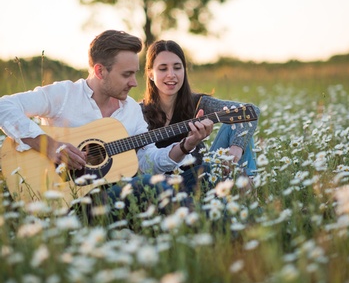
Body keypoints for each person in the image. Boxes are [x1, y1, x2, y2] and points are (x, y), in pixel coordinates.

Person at [0, 30, 213, 221]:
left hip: (115, 194)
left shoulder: (131, 110)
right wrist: (48, 145)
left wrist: (186, 145)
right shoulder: (65, 95)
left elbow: (148, 164)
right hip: (72, 199)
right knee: (154, 186)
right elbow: (4, 106)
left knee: (203, 173)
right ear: (100, 71)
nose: (134, 83)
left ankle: (205, 231)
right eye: (126, 74)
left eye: (134, 73)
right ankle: (203, 228)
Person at [141, 40, 260, 190]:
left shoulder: (198, 103)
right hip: (163, 184)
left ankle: (249, 194)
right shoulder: (139, 112)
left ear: (184, 70)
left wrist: (237, 147)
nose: (171, 75)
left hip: (204, 172)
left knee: (241, 125)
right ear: (150, 73)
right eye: (163, 69)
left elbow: (251, 111)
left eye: (177, 68)